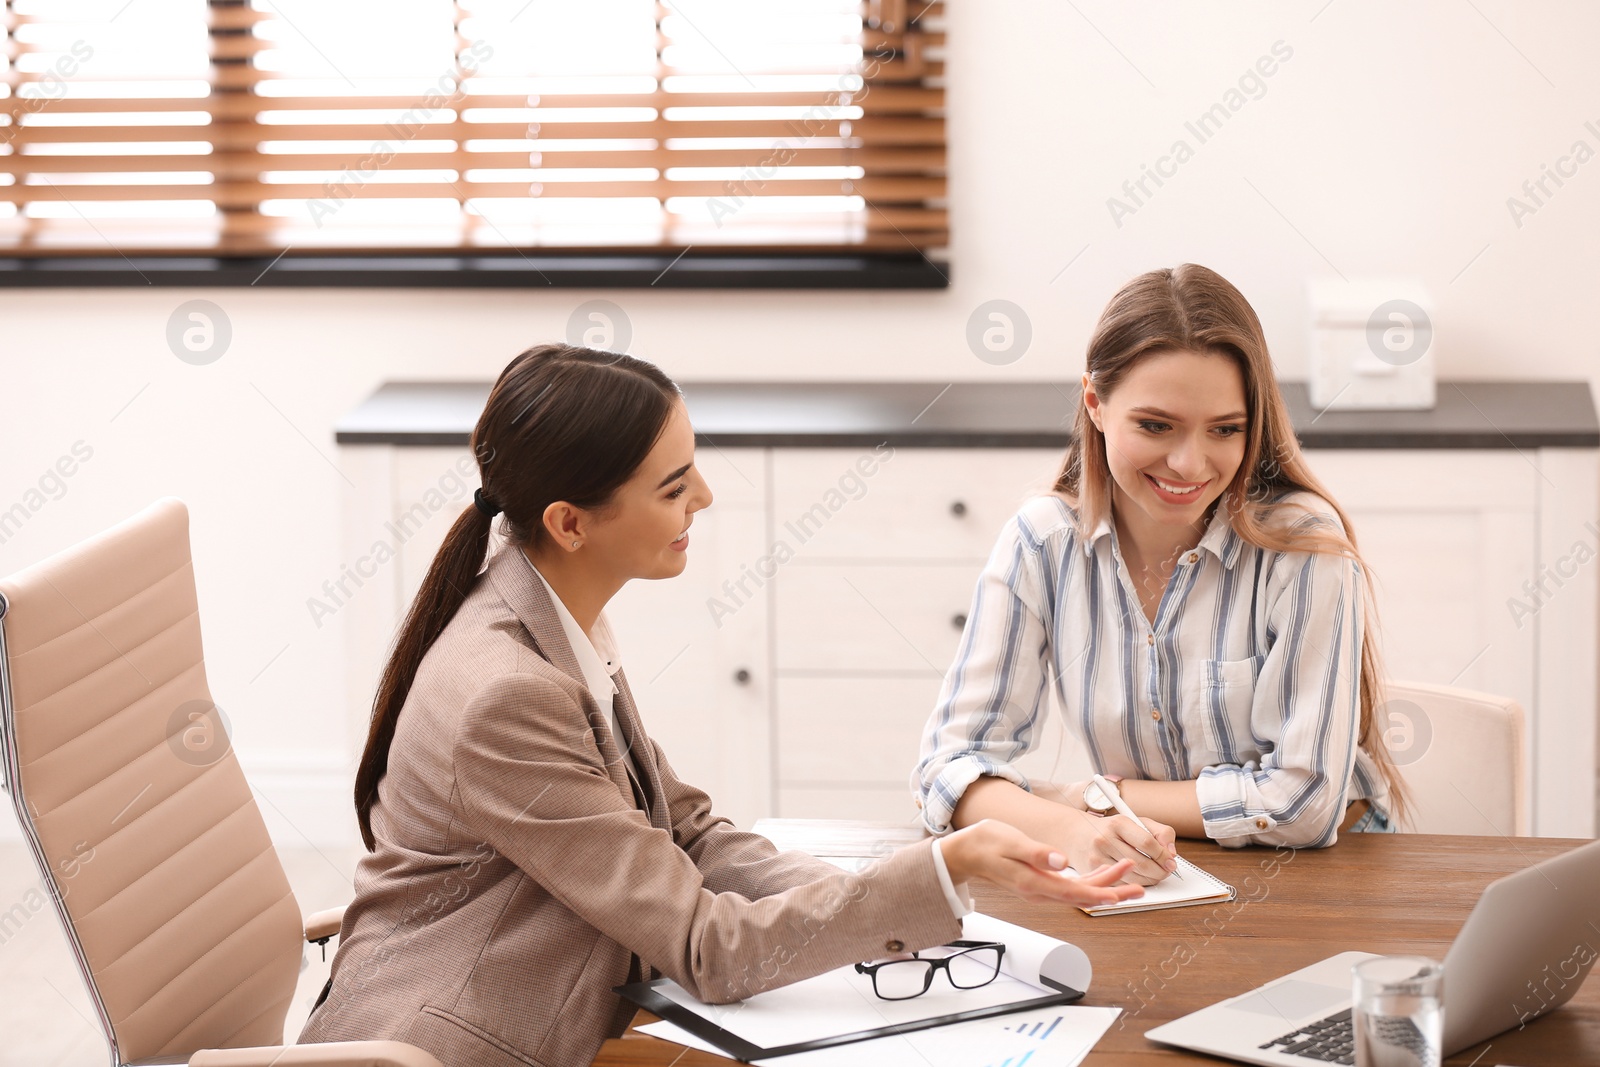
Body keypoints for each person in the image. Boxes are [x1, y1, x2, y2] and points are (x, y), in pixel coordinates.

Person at [298, 343, 1147, 1067]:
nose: (702, 496)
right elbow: (708, 947)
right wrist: (940, 872)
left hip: (568, 996)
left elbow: (687, 831)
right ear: (570, 522)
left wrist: (899, 907)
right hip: (460, 1044)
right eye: (673, 486)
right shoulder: (506, 693)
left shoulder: (548, 616)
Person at [913, 264, 1408, 882]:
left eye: (1225, 430)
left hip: (1322, 871)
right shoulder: (1041, 542)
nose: (1189, 463)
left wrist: (1089, 798)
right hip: (1143, 860)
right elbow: (946, 771)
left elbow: (1302, 804)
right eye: (1156, 425)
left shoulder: (1303, 548)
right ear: (1095, 403)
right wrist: (1071, 825)